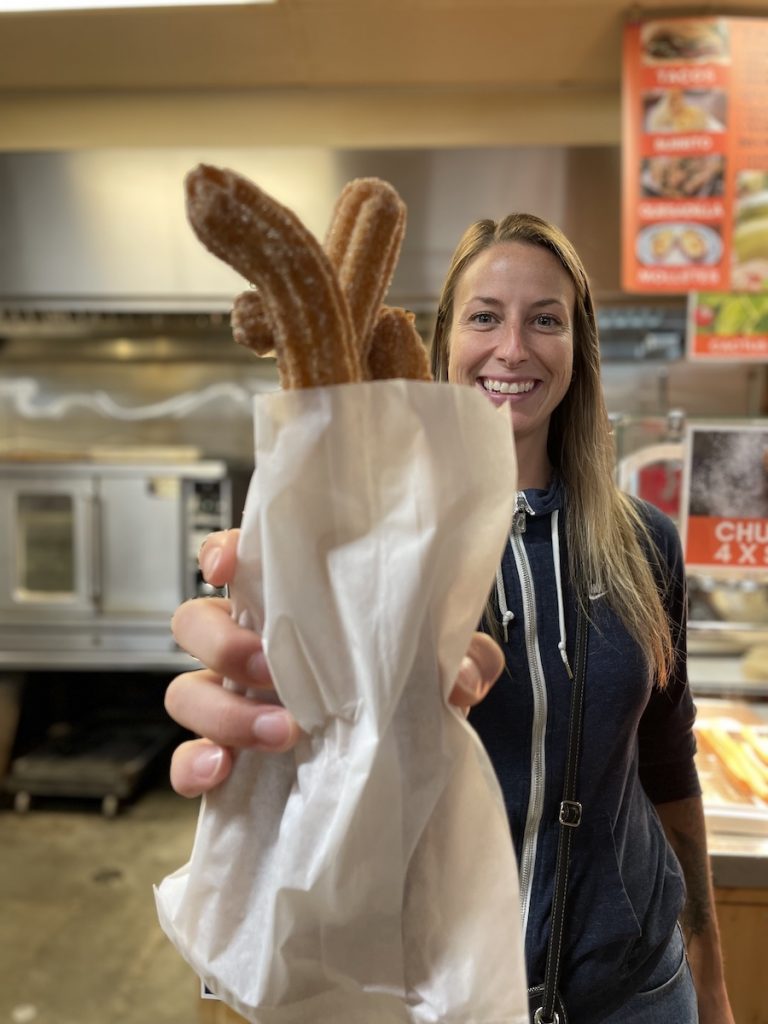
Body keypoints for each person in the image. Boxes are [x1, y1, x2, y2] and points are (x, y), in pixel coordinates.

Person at [165, 212, 734, 1024]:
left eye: (546, 319)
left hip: (636, 992)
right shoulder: (370, 547)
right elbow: (314, 745)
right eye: (484, 316)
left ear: (579, 349)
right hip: (439, 996)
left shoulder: (647, 541)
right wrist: (258, 703)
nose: (514, 348)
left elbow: (668, 763)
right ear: (442, 342)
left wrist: (708, 966)